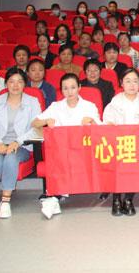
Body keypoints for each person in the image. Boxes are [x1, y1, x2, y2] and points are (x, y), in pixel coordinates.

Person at [32, 73, 100, 219]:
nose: (70, 92)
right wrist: (46, 121)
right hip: (62, 151)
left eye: (73, 87)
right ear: (61, 90)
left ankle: (53, 197)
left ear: (79, 88)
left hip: (84, 150)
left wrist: (92, 122)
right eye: (65, 88)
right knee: (62, 157)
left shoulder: (89, 106)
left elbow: (101, 131)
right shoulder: (56, 106)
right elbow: (35, 123)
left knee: (68, 159)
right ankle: (55, 197)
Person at [0, 68, 41, 219]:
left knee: (11, 158)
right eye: (11, 82)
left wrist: (17, 142)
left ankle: (5, 201)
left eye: (20, 82)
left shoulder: (32, 102)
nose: (15, 85)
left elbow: (36, 128)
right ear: (6, 84)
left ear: (25, 84)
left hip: (21, 146)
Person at [102, 69, 139, 216]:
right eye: (128, 81)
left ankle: (128, 199)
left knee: (134, 168)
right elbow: (107, 124)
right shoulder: (114, 102)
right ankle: (116, 199)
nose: (132, 85)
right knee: (117, 167)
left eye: (135, 81)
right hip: (118, 145)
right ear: (121, 83)